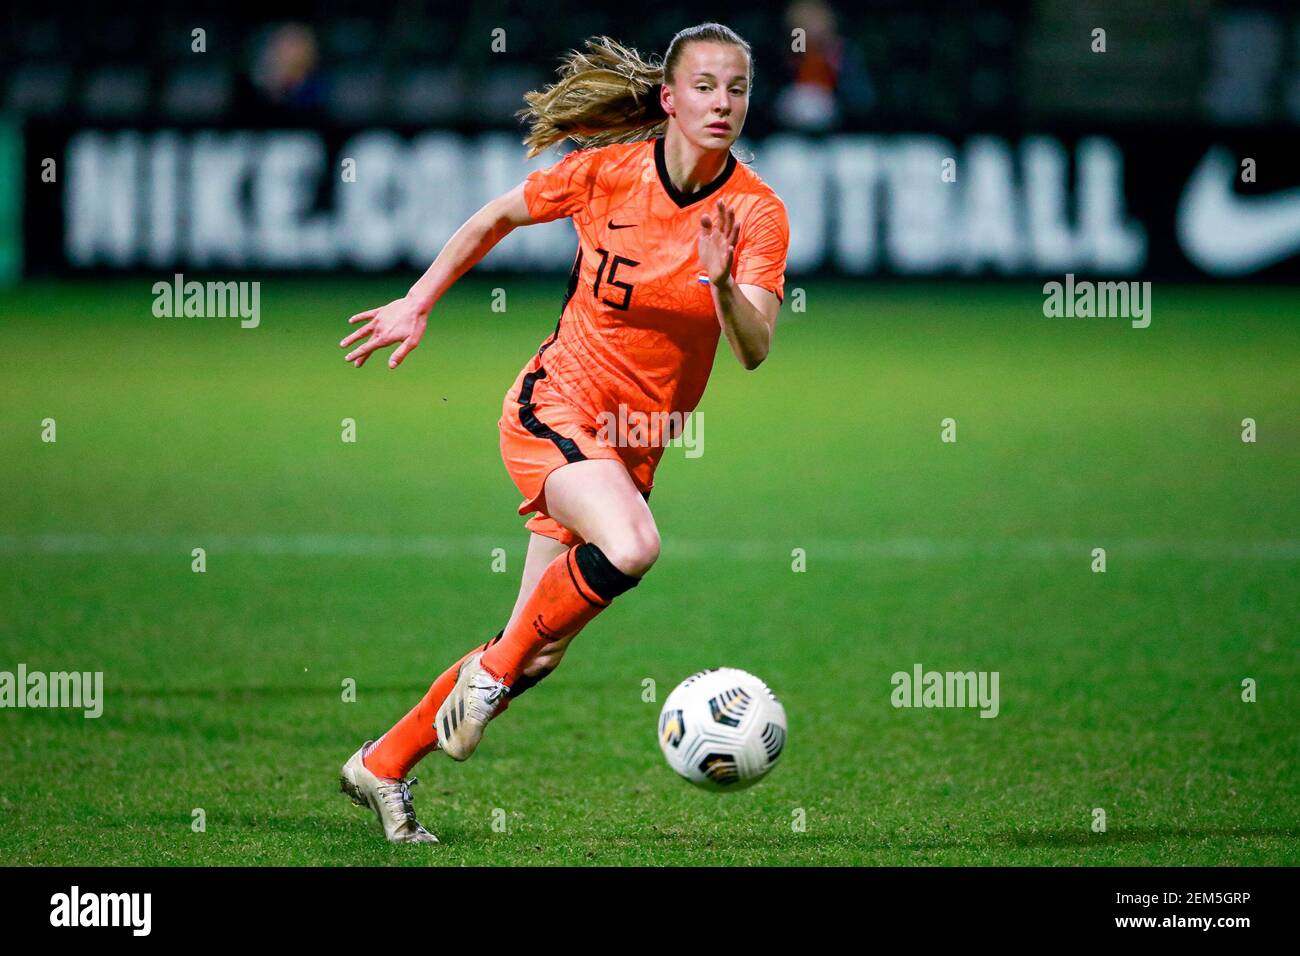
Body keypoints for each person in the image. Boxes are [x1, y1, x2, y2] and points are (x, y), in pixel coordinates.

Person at [338, 22, 789, 843]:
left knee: (533, 655)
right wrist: (418, 299)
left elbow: (754, 348)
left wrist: (723, 285)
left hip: (632, 444)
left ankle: (383, 763)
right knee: (633, 546)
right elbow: (496, 216)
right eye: (705, 86)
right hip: (557, 407)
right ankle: (487, 677)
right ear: (669, 97)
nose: (722, 103)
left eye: (737, 89)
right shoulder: (607, 174)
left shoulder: (757, 212)